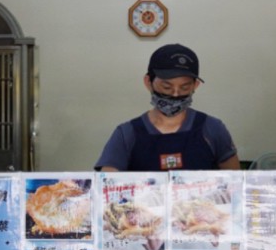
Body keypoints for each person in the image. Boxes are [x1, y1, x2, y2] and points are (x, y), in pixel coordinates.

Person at [95, 44, 239, 172]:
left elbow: (235, 183)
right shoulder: (126, 134)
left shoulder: (213, 128)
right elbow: (107, 185)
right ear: (148, 82)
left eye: (184, 87)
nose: (175, 94)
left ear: (195, 86)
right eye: (167, 87)